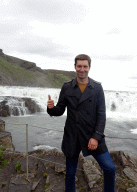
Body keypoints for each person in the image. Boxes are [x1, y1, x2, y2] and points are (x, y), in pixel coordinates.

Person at [47, 54, 115, 192]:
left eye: (85, 66)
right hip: (72, 136)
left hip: (92, 136)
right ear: (75, 67)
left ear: (89, 67)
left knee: (110, 168)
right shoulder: (67, 87)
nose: (82, 69)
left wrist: (96, 137)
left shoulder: (96, 88)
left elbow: (101, 115)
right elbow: (60, 110)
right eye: (79, 66)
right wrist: (51, 108)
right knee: (70, 174)